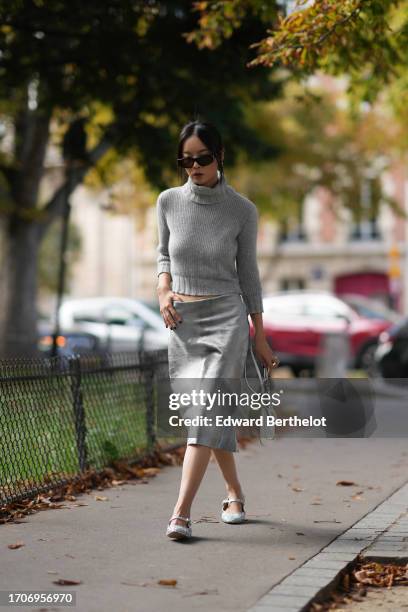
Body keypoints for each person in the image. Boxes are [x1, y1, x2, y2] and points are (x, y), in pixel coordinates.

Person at [156, 119, 280, 540]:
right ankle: (234, 492)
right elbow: (163, 257)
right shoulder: (168, 201)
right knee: (207, 415)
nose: (194, 167)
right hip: (184, 324)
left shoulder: (242, 210)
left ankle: (180, 514)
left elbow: (249, 274)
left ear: (220, 156)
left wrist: (258, 335)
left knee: (205, 414)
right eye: (186, 160)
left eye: (203, 158)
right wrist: (163, 291)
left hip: (227, 319)